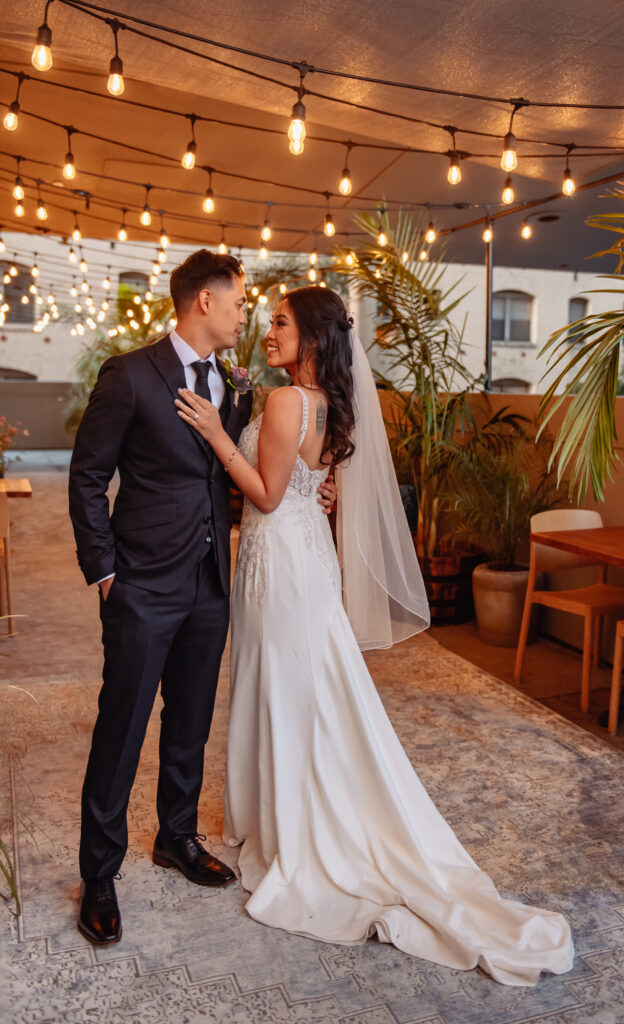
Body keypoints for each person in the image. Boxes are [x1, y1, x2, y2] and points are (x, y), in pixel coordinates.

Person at [175, 286, 574, 987]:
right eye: (266, 321)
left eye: (280, 324)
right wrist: (307, 487)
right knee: (304, 686)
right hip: (305, 559)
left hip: (278, 560)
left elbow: (265, 496)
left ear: (313, 339)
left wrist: (213, 432)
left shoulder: (282, 402)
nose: (267, 333)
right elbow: (310, 485)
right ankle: (291, 809)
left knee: (283, 686)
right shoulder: (327, 405)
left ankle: (292, 827)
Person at [68, 249, 336, 946]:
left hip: (211, 582)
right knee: (121, 725)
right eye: (240, 301)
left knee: (190, 721)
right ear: (204, 302)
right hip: (142, 583)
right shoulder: (130, 374)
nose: (245, 313)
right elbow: (88, 477)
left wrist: (313, 488)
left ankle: (176, 839)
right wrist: (104, 571)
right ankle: (99, 872)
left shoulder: (231, 381)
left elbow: (249, 469)